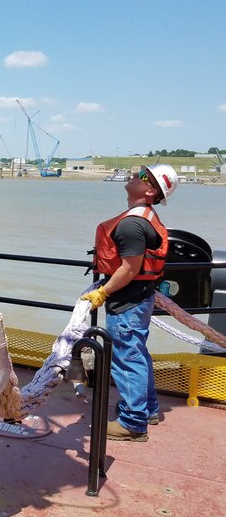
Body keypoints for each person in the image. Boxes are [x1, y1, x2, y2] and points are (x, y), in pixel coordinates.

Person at [82, 163, 179, 442]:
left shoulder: (131, 224)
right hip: (140, 298)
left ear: (149, 189)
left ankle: (133, 423)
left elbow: (129, 268)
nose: (134, 176)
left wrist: (103, 292)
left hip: (127, 303)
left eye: (142, 176)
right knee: (138, 355)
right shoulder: (145, 217)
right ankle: (148, 410)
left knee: (127, 359)